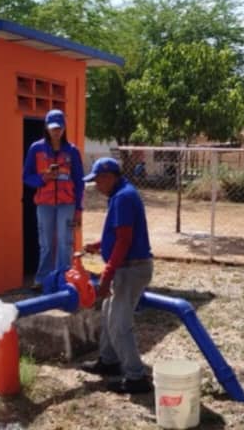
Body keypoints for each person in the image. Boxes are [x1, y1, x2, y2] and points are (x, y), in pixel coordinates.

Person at [78, 157, 154, 394]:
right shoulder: (121, 193)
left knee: (120, 324)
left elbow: (124, 240)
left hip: (130, 269)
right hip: (128, 266)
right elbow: (120, 234)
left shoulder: (122, 198)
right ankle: (109, 361)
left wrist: (106, 276)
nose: (96, 186)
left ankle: (136, 377)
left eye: (97, 180)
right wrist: (99, 244)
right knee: (110, 313)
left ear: (109, 177)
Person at [23, 110, 85, 289]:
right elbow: (26, 176)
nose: (56, 132)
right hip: (44, 204)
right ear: (46, 128)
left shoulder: (72, 151)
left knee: (65, 242)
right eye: (52, 128)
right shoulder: (36, 149)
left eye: (59, 128)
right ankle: (42, 279)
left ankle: (62, 280)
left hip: (67, 203)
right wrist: (44, 179)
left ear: (64, 128)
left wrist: (79, 209)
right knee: (46, 243)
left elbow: (79, 181)